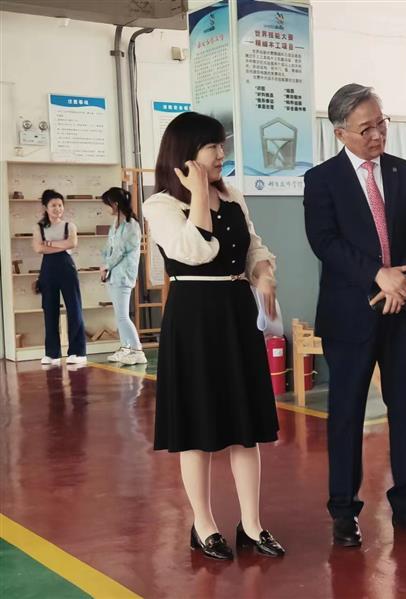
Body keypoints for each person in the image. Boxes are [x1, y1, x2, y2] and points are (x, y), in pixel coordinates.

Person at [142, 111, 284, 560]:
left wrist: (263, 274)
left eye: (223, 145)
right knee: (198, 426)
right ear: (186, 154)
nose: (222, 154)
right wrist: (199, 193)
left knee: (246, 428)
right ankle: (203, 525)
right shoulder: (160, 205)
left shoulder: (233, 194)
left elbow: (253, 246)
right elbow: (195, 251)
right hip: (194, 318)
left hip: (236, 313)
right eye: (212, 147)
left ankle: (252, 525)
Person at [304, 83, 406, 547]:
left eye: (382, 123)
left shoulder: (404, 171)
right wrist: (378, 276)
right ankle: (344, 511)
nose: (377, 135)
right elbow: (325, 242)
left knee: (405, 410)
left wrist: (401, 282)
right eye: (366, 129)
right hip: (350, 316)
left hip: (404, 312)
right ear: (341, 133)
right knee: (346, 414)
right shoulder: (322, 179)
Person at [33, 189, 87, 365]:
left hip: (67, 268)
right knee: (49, 310)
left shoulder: (69, 226)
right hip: (47, 269)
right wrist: (61, 245)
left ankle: (77, 352)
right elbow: (38, 248)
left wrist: (49, 243)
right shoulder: (39, 227)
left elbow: (72, 243)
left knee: (74, 308)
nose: (57, 209)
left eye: (60, 205)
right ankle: (52, 354)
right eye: (53, 205)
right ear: (45, 208)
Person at [100, 187, 146, 366]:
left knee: (123, 316)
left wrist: (106, 266)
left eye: (107, 204)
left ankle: (137, 350)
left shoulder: (131, 225)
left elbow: (120, 251)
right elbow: (108, 248)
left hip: (123, 276)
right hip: (112, 275)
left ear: (115, 204)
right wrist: (103, 266)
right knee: (119, 315)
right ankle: (125, 347)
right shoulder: (116, 224)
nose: (105, 208)